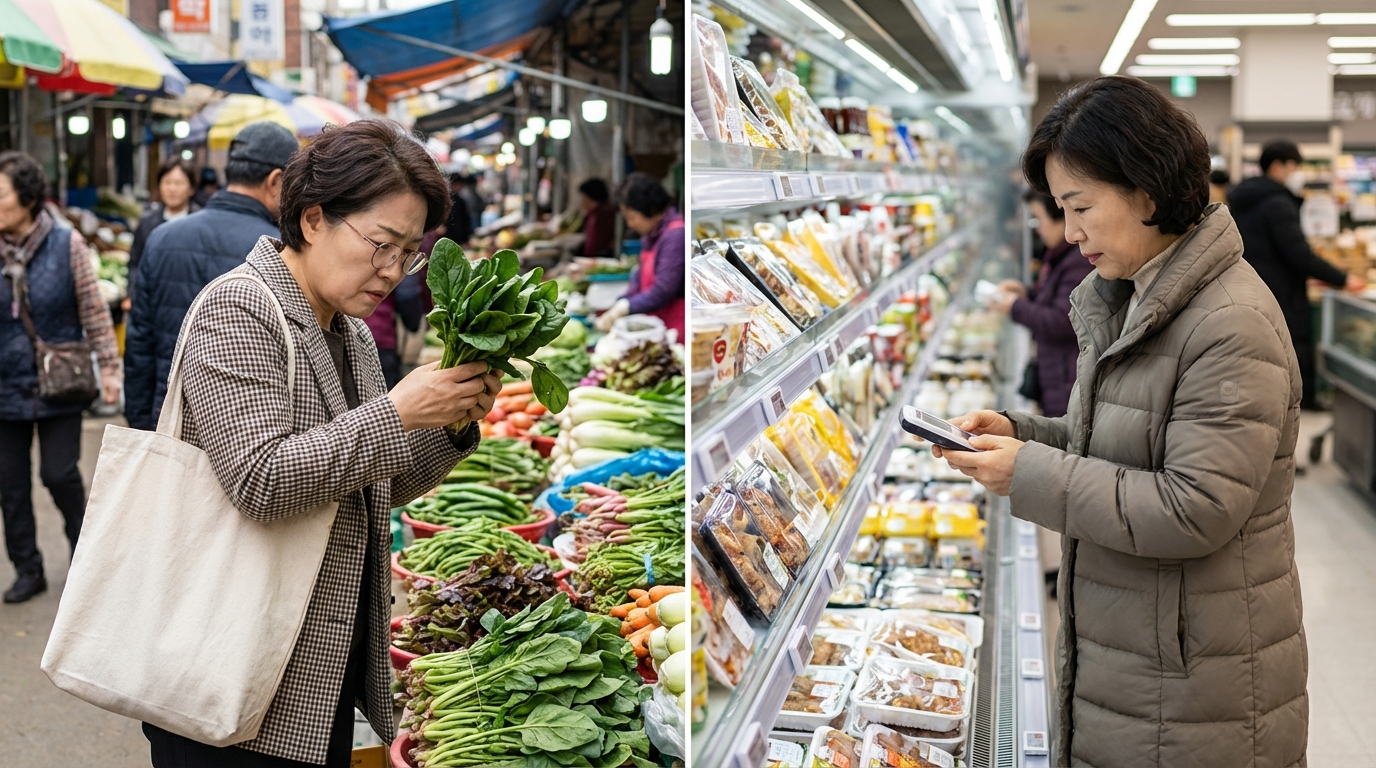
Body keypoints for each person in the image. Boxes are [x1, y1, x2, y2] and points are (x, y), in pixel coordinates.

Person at [934, 77, 1306, 767]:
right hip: (1143, 653)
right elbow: (1116, 442)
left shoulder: (1230, 324)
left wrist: (1029, 472)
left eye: (1080, 206)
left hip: (1195, 690)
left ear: (1147, 192)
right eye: (1062, 209)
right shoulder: (1136, 296)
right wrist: (1023, 435)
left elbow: (1195, 508)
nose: (1070, 231)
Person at [139, 119, 500, 767]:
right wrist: (397, 412)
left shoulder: (349, 330)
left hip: (316, 672)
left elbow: (372, 485)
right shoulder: (238, 308)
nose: (393, 271)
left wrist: (448, 424)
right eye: (381, 244)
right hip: (230, 666)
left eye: (409, 253)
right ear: (312, 220)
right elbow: (261, 479)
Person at [0, 151, 121, 603]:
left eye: (1, 194)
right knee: (10, 485)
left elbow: (94, 311)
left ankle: (84, 558)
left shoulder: (67, 244)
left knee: (59, 473)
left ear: (28, 198)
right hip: (5, 382)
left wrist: (110, 369)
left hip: (60, 382)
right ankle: (28, 569)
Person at [123, 121, 297, 431]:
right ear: (275, 180)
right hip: (249, 425)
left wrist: (139, 422)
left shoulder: (161, 238)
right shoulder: (281, 249)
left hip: (168, 415)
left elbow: (139, 344)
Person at [1229, 139, 1364, 409]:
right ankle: (1300, 401)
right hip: (1283, 290)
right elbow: (1298, 254)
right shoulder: (1278, 203)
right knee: (1293, 346)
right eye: (1294, 166)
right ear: (1277, 167)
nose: (1298, 173)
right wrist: (1343, 279)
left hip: (1253, 285)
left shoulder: (1245, 199)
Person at [991, 191, 1094, 418]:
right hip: (1058, 374)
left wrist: (1016, 306)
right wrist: (1026, 295)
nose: (1037, 229)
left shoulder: (1079, 261)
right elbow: (1057, 300)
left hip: (1066, 379)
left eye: (1039, 219)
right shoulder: (1060, 254)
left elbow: (1063, 320)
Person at [595, 173, 684, 339]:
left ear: (649, 209)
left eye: (632, 217)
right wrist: (621, 302)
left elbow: (663, 290)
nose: (630, 224)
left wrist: (626, 307)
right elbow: (638, 279)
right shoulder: (650, 235)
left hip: (674, 329)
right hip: (654, 326)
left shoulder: (676, 235)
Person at [127, 157, 199, 303]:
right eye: (167, 182)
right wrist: (133, 294)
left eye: (178, 183)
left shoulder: (201, 224)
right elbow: (135, 263)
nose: (172, 189)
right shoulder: (147, 223)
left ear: (191, 188)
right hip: (153, 302)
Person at [577, 178, 616, 257]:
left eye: (585, 198)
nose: (583, 202)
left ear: (592, 198)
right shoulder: (591, 215)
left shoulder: (604, 216)